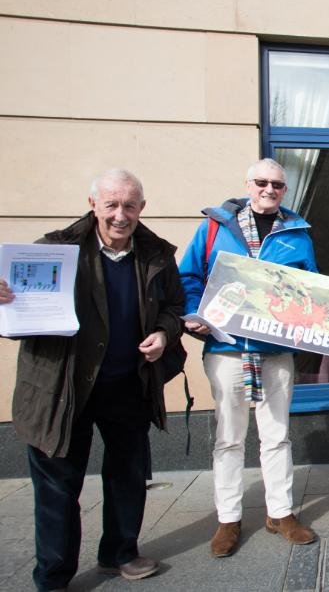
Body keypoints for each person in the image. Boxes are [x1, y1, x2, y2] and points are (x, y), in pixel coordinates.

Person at [0, 169, 184, 589]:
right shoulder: (55, 249)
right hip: (61, 388)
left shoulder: (155, 253)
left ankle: (119, 553)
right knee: (58, 486)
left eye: (130, 205)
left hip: (127, 383)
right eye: (111, 205)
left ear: (142, 207)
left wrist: (163, 332)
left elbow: (173, 307)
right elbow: (17, 315)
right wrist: (6, 300)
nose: (121, 215)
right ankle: (53, 575)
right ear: (93, 206)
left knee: (128, 474)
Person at [180, 158, 321, 557]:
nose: (269, 189)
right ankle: (229, 519)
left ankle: (281, 513)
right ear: (247, 183)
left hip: (275, 353)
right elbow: (189, 277)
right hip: (226, 349)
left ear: (285, 190)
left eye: (278, 184)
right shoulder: (214, 228)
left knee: (276, 435)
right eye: (262, 182)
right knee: (229, 439)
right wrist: (196, 314)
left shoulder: (298, 233)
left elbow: (309, 289)